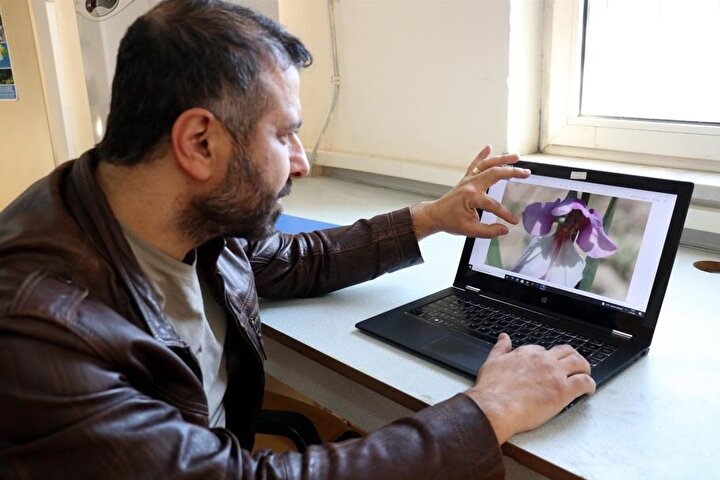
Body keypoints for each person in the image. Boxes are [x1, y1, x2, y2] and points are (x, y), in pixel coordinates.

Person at [0, 1, 595, 478]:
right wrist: (490, 411)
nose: (302, 163)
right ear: (200, 142)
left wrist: (430, 217)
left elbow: (291, 259)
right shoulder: (42, 331)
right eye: (284, 134)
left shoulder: (168, 211)